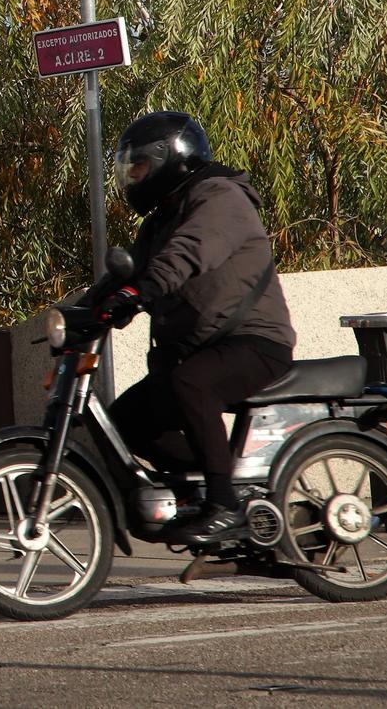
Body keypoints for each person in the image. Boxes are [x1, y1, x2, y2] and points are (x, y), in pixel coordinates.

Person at [106, 111, 295, 546]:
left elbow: (187, 255)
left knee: (190, 384)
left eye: (139, 167)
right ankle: (211, 484)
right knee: (126, 421)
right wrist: (87, 309)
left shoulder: (220, 196)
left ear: (169, 158)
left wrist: (144, 291)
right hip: (202, 344)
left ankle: (224, 503)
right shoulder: (161, 215)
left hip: (255, 340)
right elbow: (130, 273)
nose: (133, 177)